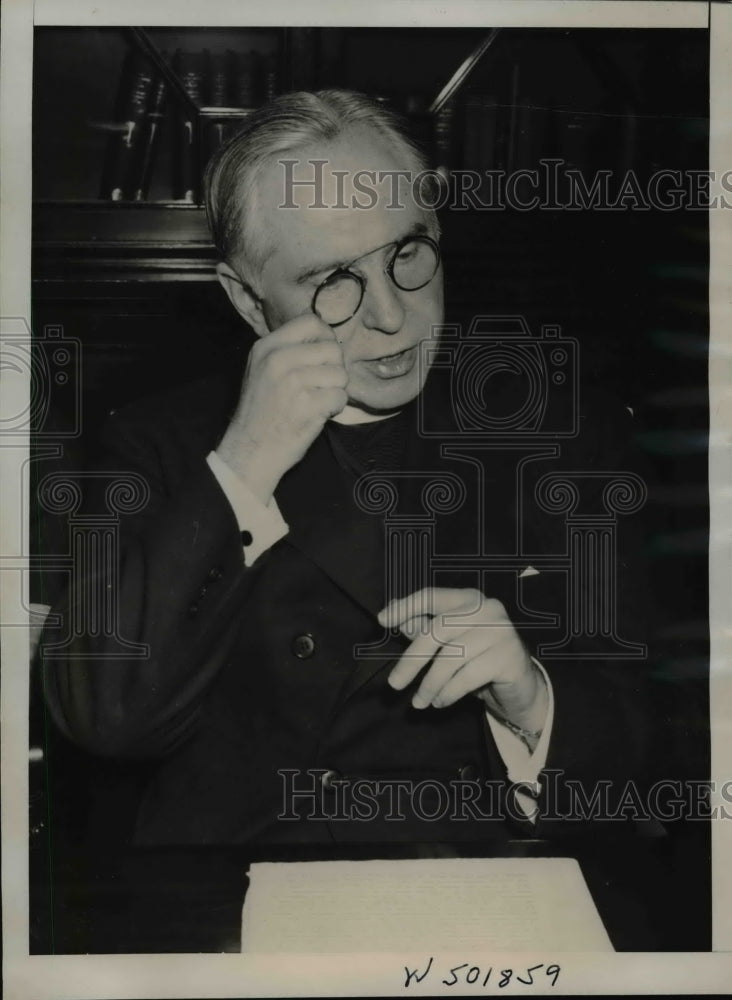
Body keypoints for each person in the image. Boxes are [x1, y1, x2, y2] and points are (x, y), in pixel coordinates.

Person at [41, 89, 654, 852]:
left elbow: (655, 737)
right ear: (249, 300)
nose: (393, 317)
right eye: (333, 281)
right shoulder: (157, 443)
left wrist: (532, 701)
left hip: (488, 889)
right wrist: (244, 464)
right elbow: (107, 719)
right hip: (236, 897)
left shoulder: (562, 431)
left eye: (407, 253)